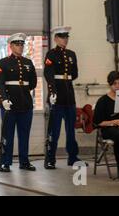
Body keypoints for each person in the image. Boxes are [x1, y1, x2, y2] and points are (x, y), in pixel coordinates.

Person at [0, 33, 37, 172]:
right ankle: (5, 162)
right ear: (11, 46)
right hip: (9, 105)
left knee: (24, 135)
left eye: (21, 44)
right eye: (17, 44)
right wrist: (4, 99)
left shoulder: (28, 63)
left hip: (25, 104)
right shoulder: (4, 62)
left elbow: (33, 83)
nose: (20, 47)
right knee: (8, 134)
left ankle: (24, 162)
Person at [44, 26, 84, 169]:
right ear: (55, 38)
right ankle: (50, 159)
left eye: (66, 37)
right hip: (57, 95)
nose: (65, 40)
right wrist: (52, 92)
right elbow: (48, 75)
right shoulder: (51, 54)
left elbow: (75, 74)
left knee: (70, 130)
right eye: (62, 37)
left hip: (69, 95)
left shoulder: (71, 54)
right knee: (54, 131)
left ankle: (73, 157)